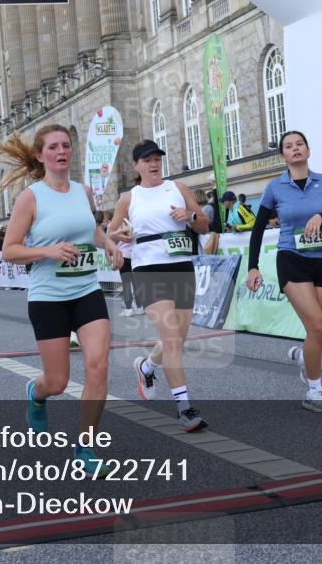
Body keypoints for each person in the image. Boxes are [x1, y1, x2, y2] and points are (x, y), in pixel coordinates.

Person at [0, 124, 121, 475]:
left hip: (86, 289)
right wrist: (48, 251)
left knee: (99, 365)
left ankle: (85, 446)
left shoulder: (84, 192)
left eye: (66, 145)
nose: (61, 151)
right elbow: (9, 251)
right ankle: (37, 394)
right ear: (40, 155)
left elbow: (91, 230)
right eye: (53, 147)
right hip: (48, 296)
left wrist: (108, 242)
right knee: (58, 381)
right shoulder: (31, 197)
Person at [108, 140, 210, 432]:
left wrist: (190, 217)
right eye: (147, 160)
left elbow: (204, 225)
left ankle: (146, 366)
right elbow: (110, 234)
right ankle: (184, 409)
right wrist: (119, 236)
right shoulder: (128, 198)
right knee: (172, 339)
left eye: (157, 159)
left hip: (181, 267)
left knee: (177, 339)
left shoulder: (179, 188)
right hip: (148, 270)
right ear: (136, 165)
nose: (153, 164)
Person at [245, 131, 322, 412]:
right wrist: (253, 266)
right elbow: (257, 230)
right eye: (289, 146)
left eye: (299, 144)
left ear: (308, 150)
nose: (295, 149)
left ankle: (304, 356)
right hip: (291, 259)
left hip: (321, 260)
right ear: (283, 156)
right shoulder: (274, 187)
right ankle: (314, 391)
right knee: (316, 326)